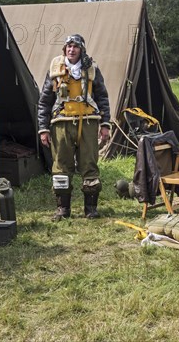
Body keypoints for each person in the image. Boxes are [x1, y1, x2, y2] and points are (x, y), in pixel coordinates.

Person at [38, 34, 111, 220]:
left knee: (90, 165)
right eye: (68, 46)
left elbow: (102, 97)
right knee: (61, 166)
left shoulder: (92, 70)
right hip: (61, 124)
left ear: (81, 49)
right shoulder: (55, 70)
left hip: (88, 122)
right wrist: (43, 128)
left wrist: (105, 124)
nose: (71, 50)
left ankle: (91, 209)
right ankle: (63, 209)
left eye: (75, 47)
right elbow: (45, 101)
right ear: (65, 49)